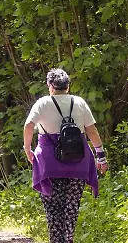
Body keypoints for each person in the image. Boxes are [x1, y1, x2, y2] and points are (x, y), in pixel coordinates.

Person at [23, 68, 108, 243]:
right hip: (78, 162)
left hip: (49, 164)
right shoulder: (79, 102)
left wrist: (27, 148)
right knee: (71, 209)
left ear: (50, 86)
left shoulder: (43, 103)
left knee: (53, 211)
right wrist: (101, 157)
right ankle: (68, 239)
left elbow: (29, 126)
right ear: (68, 86)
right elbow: (92, 130)